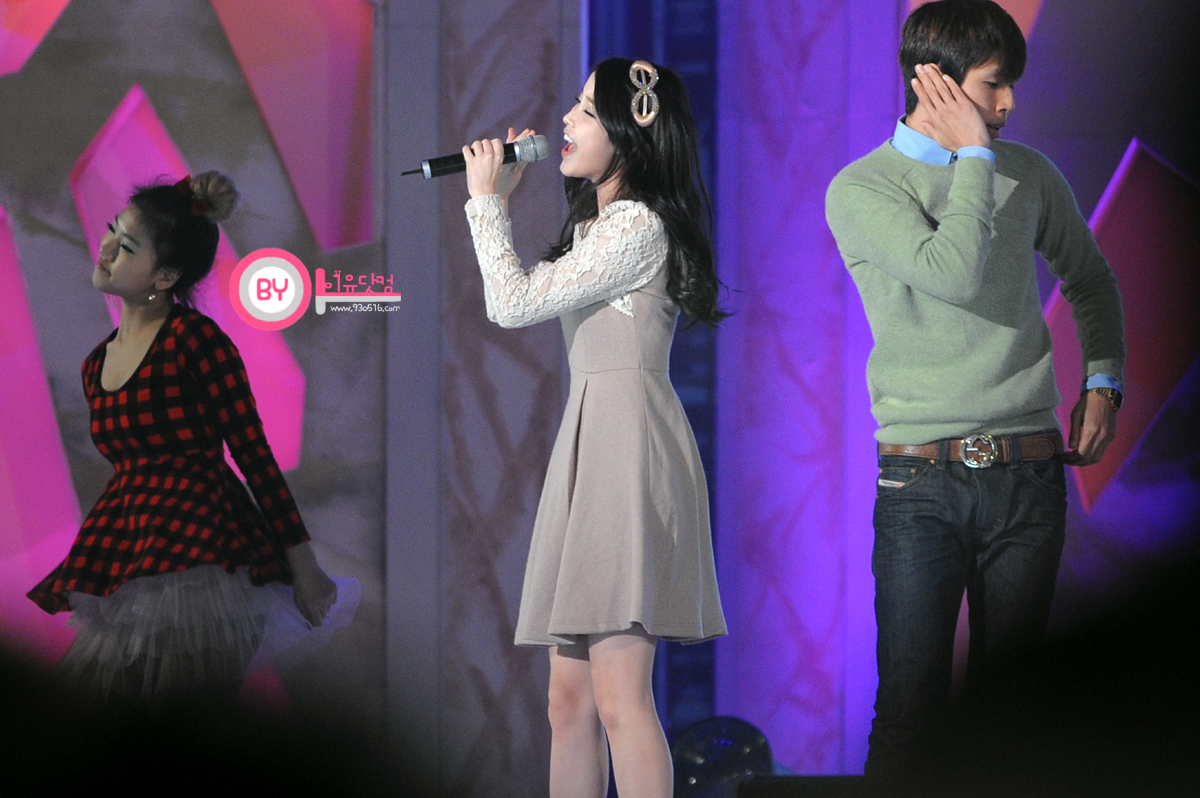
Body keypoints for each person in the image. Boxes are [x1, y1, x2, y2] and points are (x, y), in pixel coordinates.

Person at [824, 0, 1126, 780]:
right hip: (919, 482)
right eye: (995, 84)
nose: (1010, 102)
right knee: (911, 713)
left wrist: (1103, 380)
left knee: (1016, 719)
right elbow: (952, 273)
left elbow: (1091, 279)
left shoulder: (1031, 172)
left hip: (1030, 473)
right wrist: (974, 159)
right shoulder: (861, 188)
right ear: (936, 82)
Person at [461, 58, 727, 798]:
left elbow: (512, 304)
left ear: (629, 129)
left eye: (584, 108)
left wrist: (485, 204)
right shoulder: (597, 226)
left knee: (617, 693)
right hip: (591, 434)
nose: (566, 121)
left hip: (627, 442)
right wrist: (498, 201)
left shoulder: (637, 224)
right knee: (567, 700)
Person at [28, 172, 344, 708]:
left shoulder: (196, 340)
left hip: (202, 552)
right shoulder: (96, 363)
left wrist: (304, 566)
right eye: (112, 230)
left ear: (167, 275)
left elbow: (253, 455)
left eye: (128, 246)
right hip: (129, 550)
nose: (106, 248)